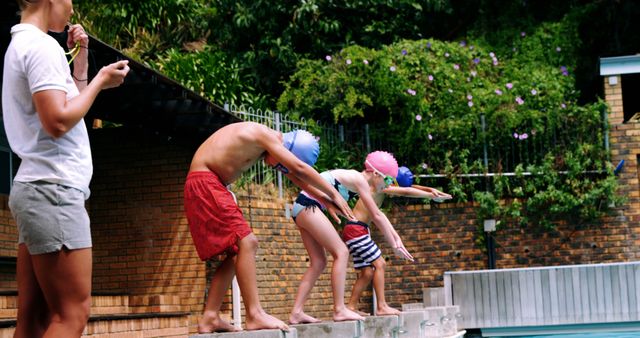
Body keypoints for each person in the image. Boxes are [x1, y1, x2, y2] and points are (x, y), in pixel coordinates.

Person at [2, 1, 130, 337]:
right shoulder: (41, 46)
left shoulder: (27, 44)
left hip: (39, 188)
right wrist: (102, 80)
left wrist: (83, 65)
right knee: (72, 314)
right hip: (54, 190)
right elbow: (58, 121)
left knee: (33, 320)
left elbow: (66, 111)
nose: (72, 8)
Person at [184, 122, 356, 333]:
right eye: (283, 164)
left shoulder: (267, 145)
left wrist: (324, 199)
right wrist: (335, 193)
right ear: (286, 151)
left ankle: (210, 316)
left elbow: (296, 175)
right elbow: (299, 169)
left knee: (236, 251)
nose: (279, 169)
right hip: (206, 181)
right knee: (248, 242)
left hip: (209, 183)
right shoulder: (264, 134)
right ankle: (254, 314)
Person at [288, 151, 414, 324]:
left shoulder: (360, 183)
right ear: (376, 174)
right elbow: (376, 216)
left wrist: (397, 239)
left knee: (318, 262)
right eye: (388, 180)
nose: (389, 185)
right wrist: (394, 245)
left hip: (303, 207)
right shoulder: (359, 180)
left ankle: (296, 312)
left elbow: (379, 215)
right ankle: (339, 309)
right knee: (341, 251)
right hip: (308, 206)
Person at [345, 166, 451, 316]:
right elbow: (406, 191)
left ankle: (351, 307)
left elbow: (407, 187)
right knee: (380, 264)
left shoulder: (382, 184)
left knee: (367, 272)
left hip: (355, 230)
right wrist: (429, 196)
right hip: (356, 230)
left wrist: (430, 190)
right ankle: (381, 306)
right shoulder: (379, 186)